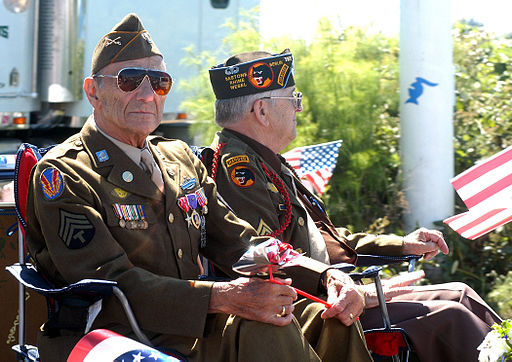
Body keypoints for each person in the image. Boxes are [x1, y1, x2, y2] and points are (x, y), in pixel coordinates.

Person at [25, 14, 379, 362]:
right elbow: (115, 284)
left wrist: (326, 277)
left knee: (333, 318)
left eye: (160, 82)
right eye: (130, 80)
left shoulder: (177, 158)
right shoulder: (64, 174)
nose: (148, 94)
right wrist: (223, 297)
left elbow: (241, 243)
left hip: (194, 329)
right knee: (266, 328)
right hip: (118, 337)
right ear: (93, 91)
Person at [205, 49, 503, 361]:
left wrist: (401, 245)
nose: (299, 109)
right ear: (262, 111)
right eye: (293, 99)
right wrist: (342, 284)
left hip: (332, 290)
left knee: (461, 294)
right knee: (453, 317)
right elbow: (264, 256)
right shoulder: (237, 169)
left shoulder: (267, 163)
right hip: (309, 308)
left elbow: (325, 238)